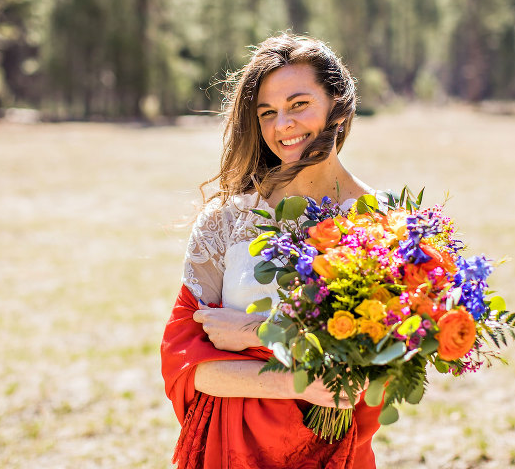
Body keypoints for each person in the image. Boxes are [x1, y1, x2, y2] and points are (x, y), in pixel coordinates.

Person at [160, 33, 382, 469]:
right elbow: (188, 368)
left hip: (334, 452)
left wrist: (251, 333)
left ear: (338, 103)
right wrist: (299, 381)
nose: (282, 125)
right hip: (231, 452)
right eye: (268, 112)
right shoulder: (226, 222)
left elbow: (365, 375)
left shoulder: (379, 224)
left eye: (299, 105)